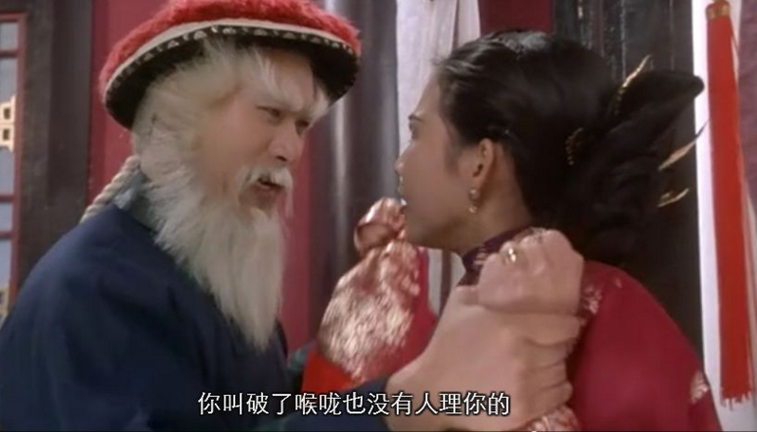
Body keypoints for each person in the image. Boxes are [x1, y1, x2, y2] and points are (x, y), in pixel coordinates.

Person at [0, 1, 581, 431]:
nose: (290, 149)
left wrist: (336, 346)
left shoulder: (201, 267)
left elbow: (246, 411)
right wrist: (408, 403)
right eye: (270, 114)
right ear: (177, 120)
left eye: (301, 125)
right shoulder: (89, 294)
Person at [306, 29, 723, 430]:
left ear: (480, 163)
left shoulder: (603, 314)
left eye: (417, 133)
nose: (400, 164)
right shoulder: (489, 297)